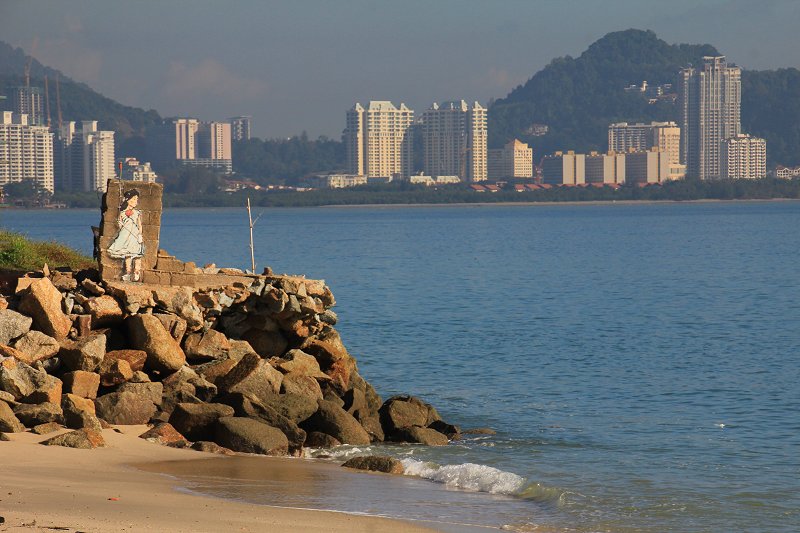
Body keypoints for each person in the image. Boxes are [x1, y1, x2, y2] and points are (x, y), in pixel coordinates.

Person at [107, 189, 145, 281]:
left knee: (137, 254)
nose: (136, 201)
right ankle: (128, 272)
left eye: (137, 199)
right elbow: (119, 224)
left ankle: (136, 272)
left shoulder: (137, 212)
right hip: (125, 235)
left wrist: (140, 234)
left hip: (135, 235)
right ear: (128, 200)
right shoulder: (122, 212)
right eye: (134, 199)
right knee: (127, 254)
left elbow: (139, 225)